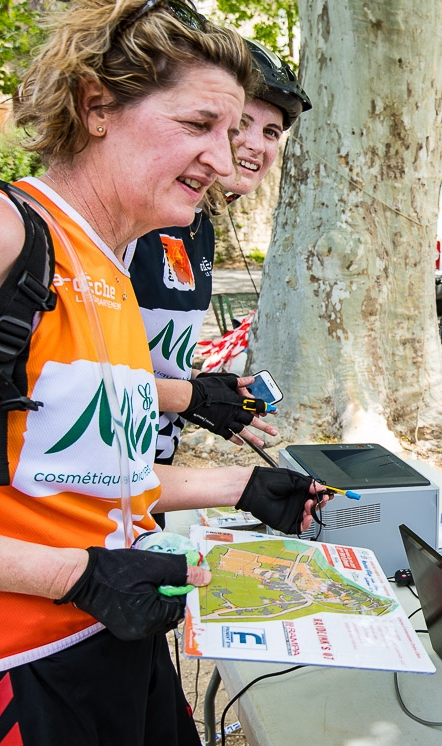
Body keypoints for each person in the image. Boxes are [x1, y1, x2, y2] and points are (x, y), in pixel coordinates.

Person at [0, 2, 322, 746]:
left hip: (113, 646)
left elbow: (71, 478)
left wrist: (240, 486)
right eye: (198, 124)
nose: (224, 164)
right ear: (95, 107)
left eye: (231, 137)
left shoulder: (111, 269)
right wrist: (73, 577)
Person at [128, 38, 313, 464]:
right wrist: (191, 396)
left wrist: (209, 391)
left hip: (150, 476)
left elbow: (141, 362)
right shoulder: (136, 219)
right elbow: (73, 378)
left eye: (270, 132)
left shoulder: (199, 228)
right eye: (238, 124)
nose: (254, 144)